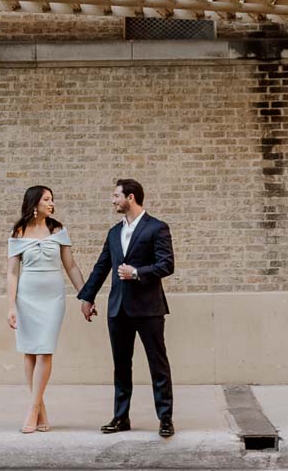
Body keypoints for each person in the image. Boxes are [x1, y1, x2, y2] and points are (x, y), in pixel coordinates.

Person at [76, 178, 175, 437]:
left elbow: (167, 265)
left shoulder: (157, 228)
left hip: (149, 309)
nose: (113, 200)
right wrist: (87, 298)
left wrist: (137, 272)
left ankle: (165, 419)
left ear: (130, 197)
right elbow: (101, 267)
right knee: (121, 366)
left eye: (116, 195)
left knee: (158, 365)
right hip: (118, 309)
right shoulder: (113, 233)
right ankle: (121, 418)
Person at [6, 185, 86, 434]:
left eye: (52, 199)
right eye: (47, 199)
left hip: (53, 299)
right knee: (30, 353)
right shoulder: (18, 232)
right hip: (27, 298)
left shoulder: (57, 229)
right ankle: (40, 410)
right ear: (34, 203)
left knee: (45, 351)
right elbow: (11, 273)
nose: (51, 203)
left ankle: (31, 409)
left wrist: (86, 295)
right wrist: (10, 306)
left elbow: (71, 266)